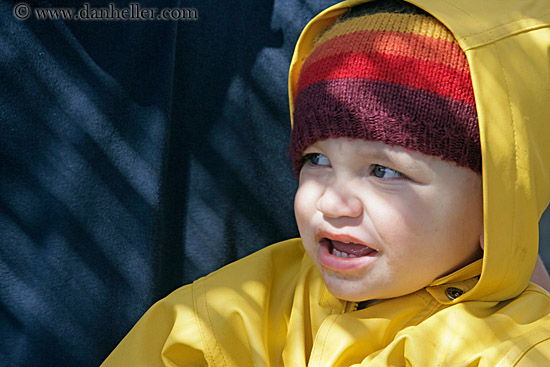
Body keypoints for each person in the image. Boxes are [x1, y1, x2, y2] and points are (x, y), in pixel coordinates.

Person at [101, 0, 550, 365]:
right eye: (316, 159)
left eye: (384, 171)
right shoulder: (251, 301)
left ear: (497, 204)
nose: (333, 203)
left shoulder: (510, 350)